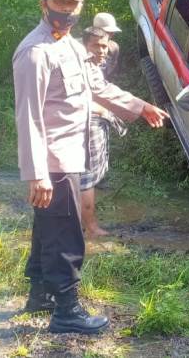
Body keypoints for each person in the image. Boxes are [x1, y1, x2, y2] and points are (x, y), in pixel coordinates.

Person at [12, 0, 169, 334]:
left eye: (72, 4)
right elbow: (29, 116)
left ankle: (39, 294)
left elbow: (96, 86)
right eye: (58, 3)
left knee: (46, 228)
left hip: (71, 152)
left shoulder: (70, 46)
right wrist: (36, 173)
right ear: (44, 4)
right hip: (54, 161)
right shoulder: (35, 53)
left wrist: (140, 105)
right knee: (66, 234)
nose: (65, 11)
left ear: (80, 7)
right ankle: (67, 311)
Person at [79, 26, 119, 237]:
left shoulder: (96, 61)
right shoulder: (81, 64)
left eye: (105, 45)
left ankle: (81, 222)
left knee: (88, 177)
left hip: (94, 120)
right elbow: (80, 101)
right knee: (87, 178)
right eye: (97, 46)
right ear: (85, 44)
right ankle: (91, 228)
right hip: (87, 124)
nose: (103, 50)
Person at [92, 12, 122, 80]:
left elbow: (113, 65)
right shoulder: (81, 46)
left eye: (112, 32)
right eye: (108, 31)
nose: (112, 34)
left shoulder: (114, 47)